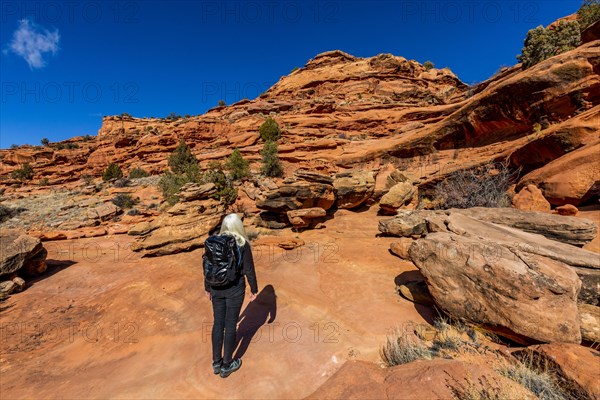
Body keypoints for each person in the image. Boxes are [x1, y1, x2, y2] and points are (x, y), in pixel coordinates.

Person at [204, 213, 258, 378]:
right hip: (235, 289)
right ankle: (227, 364)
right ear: (239, 227)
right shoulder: (242, 244)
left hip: (215, 287)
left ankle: (216, 362)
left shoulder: (213, 242)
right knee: (230, 325)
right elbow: (249, 269)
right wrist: (254, 289)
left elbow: (207, 266)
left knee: (218, 324)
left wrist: (207, 288)